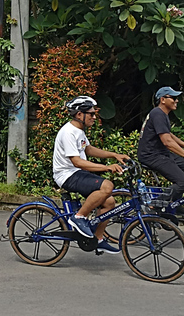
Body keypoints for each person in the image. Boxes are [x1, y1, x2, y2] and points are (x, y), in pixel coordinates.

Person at [53, 96, 130, 253]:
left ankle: (98, 238)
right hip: (66, 175)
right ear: (79, 114)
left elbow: (88, 150)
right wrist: (106, 167)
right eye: (91, 114)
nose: (94, 117)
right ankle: (79, 217)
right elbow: (77, 162)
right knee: (107, 186)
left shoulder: (78, 131)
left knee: (109, 202)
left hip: (77, 173)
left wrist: (114, 155)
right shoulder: (68, 132)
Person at [137, 86, 184, 218]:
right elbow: (167, 142)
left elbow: (169, 135)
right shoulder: (158, 114)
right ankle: (154, 205)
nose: (177, 101)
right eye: (173, 98)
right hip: (151, 155)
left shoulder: (162, 114)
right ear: (163, 99)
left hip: (160, 153)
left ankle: (174, 204)